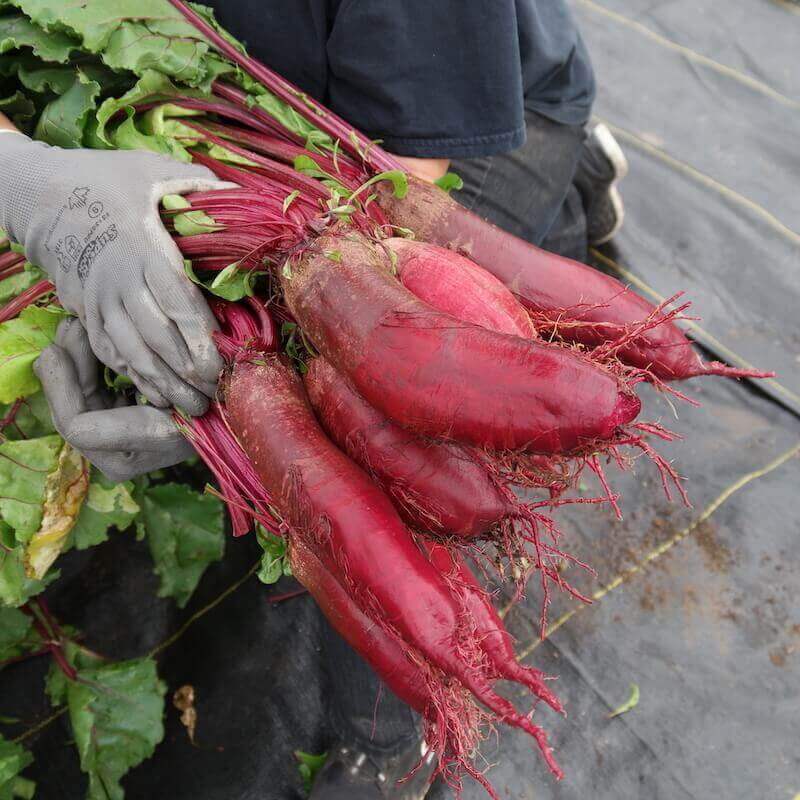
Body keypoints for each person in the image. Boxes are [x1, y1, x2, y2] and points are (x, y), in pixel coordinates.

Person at [0, 2, 628, 798]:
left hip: (431, 115)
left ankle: (386, 739)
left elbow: (399, 178)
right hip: (265, 93)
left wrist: (243, 386)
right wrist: (22, 178)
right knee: (305, 421)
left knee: (377, 414)